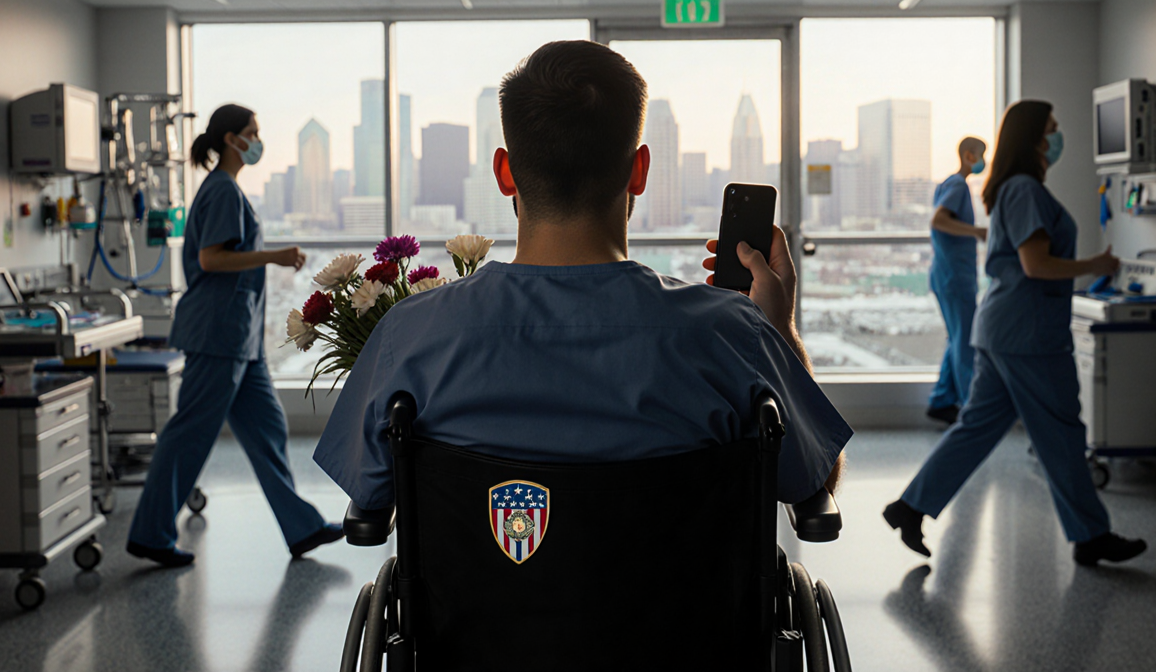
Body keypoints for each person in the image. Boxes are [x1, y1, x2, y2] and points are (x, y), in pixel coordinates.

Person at [313, 40, 849, 513]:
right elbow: (815, 481)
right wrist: (779, 328)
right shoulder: (734, 333)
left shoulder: (411, 336)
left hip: (475, 628)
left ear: (505, 172)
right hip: (683, 627)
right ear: (639, 171)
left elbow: (371, 498)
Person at [884, 100, 1146, 567]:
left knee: (977, 427)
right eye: (1051, 129)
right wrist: (1097, 265)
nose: (1057, 137)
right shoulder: (1024, 189)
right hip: (1027, 335)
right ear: (1032, 139)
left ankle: (910, 507)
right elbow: (1036, 264)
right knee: (1062, 432)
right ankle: (1091, 535)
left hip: (1004, 329)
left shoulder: (1012, 188)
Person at [127, 104, 343, 567]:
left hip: (239, 338)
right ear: (231, 139)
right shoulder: (222, 191)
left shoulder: (228, 190)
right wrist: (274, 256)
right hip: (218, 334)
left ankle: (300, 526)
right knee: (190, 435)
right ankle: (150, 533)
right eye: (252, 132)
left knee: (268, 429)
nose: (258, 139)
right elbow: (211, 260)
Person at [926, 137, 989, 426]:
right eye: (981, 155)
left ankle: (941, 401)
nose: (983, 161)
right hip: (954, 277)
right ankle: (970, 409)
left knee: (957, 338)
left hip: (947, 274)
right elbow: (939, 220)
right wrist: (977, 232)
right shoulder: (958, 185)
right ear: (969, 155)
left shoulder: (948, 184)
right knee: (965, 341)